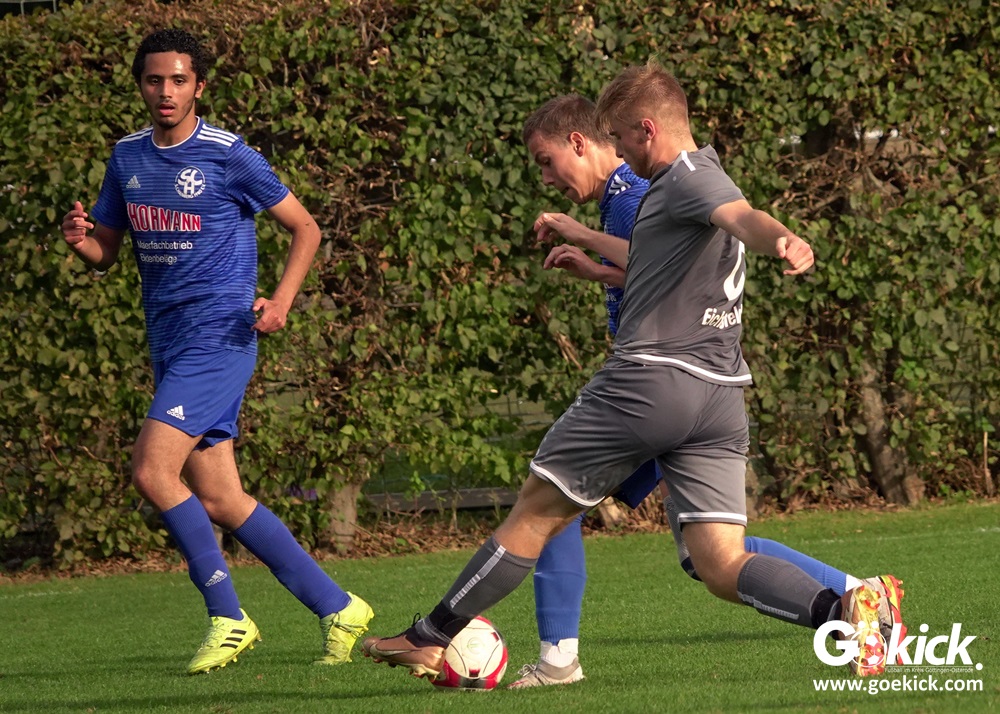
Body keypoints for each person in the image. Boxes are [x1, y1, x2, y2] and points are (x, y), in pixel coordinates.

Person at [361, 62, 905, 681]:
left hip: (650, 383)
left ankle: (432, 637)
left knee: (536, 513)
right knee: (719, 563)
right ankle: (848, 610)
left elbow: (743, 217)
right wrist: (595, 258)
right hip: (720, 396)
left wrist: (783, 238)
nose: (616, 152)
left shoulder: (688, 176)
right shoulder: (695, 175)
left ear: (648, 129)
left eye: (619, 138)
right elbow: (672, 249)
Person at [507, 95, 903, 688]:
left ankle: (556, 658)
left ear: (584, 143)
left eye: (546, 161)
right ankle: (861, 598)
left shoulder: (634, 193)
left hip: (658, 385)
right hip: (680, 382)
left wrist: (582, 236)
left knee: (555, 508)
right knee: (711, 552)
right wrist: (595, 267)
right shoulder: (637, 191)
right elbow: (659, 272)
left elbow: (668, 258)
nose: (545, 178)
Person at [60, 29, 373, 675]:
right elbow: (106, 251)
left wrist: (282, 301)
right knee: (222, 499)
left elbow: (305, 227)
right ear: (141, 86)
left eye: (179, 80)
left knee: (152, 472)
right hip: (169, 342)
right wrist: (80, 241)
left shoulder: (229, 156)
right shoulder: (126, 157)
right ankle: (339, 607)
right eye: (155, 79)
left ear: (198, 86)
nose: (166, 91)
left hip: (220, 337)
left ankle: (228, 617)